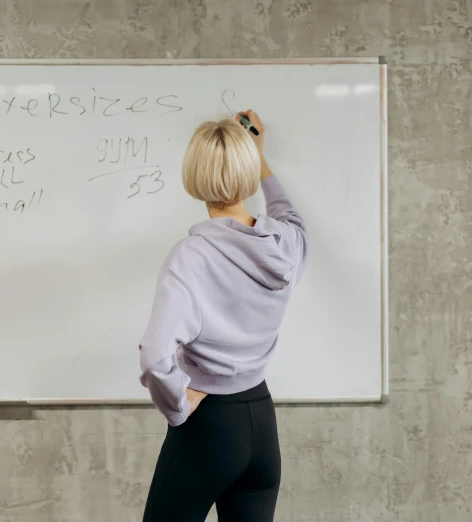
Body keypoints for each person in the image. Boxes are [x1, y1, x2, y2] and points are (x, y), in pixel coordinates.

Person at [138, 110, 308, 522]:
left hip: (209, 427)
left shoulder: (191, 258)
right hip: (261, 424)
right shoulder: (285, 244)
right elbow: (289, 215)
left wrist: (179, 405)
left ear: (194, 176)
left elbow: (154, 357)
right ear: (247, 170)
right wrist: (259, 158)